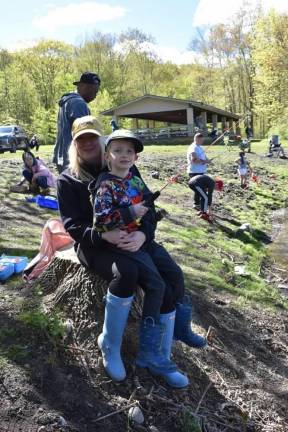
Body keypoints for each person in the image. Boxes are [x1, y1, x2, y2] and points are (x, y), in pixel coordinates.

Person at [57, 116, 206, 389]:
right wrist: (104, 236)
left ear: (103, 142)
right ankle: (110, 345)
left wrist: (142, 234)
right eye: (81, 139)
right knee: (128, 273)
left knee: (171, 276)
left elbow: (146, 207)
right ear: (75, 144)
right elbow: (72, 227)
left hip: (133, 239)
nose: (87, 142)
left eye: (92, 137)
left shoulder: (123, 166)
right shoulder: (68, 180)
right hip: (93, 245)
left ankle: (162, 353)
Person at [53, 71, 101, 173]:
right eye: (94, 91)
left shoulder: (68, 101)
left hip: (62, 156)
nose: (95, 95)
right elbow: (85, 133)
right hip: (73, 158)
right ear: (84, 87)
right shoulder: (78, 103)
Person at [187, 132, 212, 209]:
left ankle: (199, 203)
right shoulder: (193, 147)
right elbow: (194, 159)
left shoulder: (200, 147)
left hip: (200, 171)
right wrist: (205, 161)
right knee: (199, 188)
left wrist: (208, 160)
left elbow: (204, 157)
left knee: (200, 188)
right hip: (194, 171)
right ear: (197, 139)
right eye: (201, 140)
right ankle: (196, 204)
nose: (202, 141)